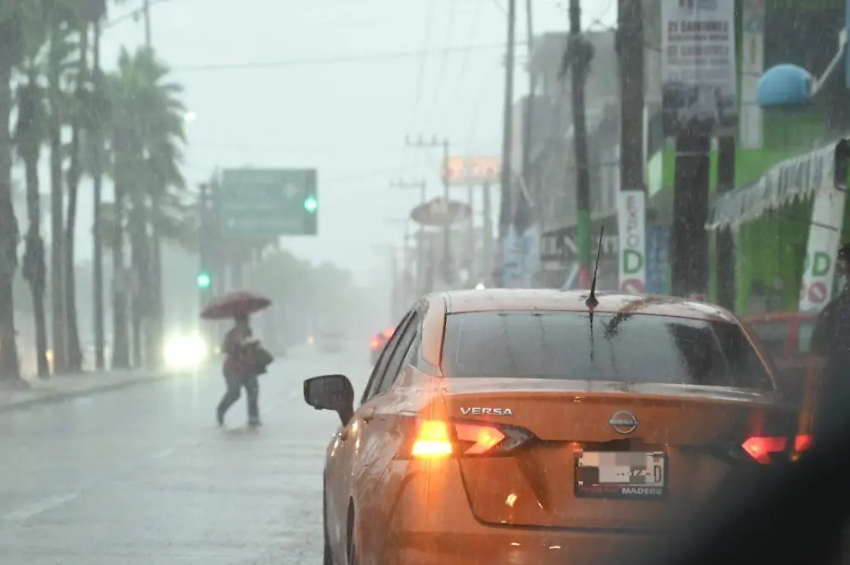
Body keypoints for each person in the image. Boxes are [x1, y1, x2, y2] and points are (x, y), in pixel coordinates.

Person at [217, 313, 261, 427]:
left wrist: (253, 345)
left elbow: (251, 351)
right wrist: (237, 345)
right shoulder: (231, 335)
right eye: (243, 321)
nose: (246, 323)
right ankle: (221, 410)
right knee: (234, 393)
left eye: (247, 320)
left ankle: (253, 417)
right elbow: (224, 348)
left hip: (247, 368)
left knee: (253, 390)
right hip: (233, 369)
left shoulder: (249, 333)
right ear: (238, 322)